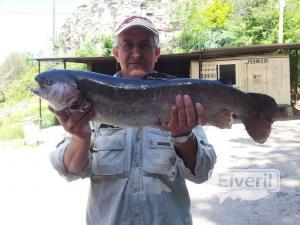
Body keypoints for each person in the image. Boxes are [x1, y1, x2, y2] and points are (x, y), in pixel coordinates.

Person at [49, 16, 232, 225]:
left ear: (156, 54)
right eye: (128, 45)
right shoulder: (87, 104)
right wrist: (80, 138)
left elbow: (201, 173)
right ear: (116, 54)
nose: (136, 53)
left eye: (145, 45)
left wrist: (184, 138)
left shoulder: (178, 97)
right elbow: (69, 172)